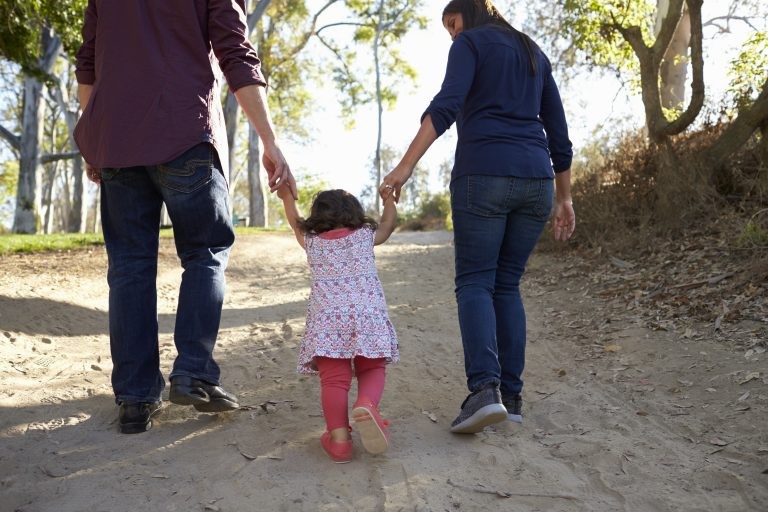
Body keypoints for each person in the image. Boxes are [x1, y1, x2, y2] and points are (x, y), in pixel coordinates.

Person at [73, 0, 297, 434]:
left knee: (129, 267)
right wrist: (269, 141)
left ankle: (135, 398)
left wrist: (95, 136)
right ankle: (194, 372)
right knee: (205, 253)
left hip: (116, 139)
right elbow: (236, 53)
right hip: (185, 131)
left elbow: (88, 63)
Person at [380, 0, 576, 434]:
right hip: (537, 181)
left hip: (483, 174)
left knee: (475, 281)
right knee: (506, 284)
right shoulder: (532, 51)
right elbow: (558, 133)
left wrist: (405, 166)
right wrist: (565, 197)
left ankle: (485, 391)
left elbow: (446, 105)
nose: (452, 34)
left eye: (452, 24)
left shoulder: (470, 44)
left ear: (468, 12)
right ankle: (512, 397)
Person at [278, 186, 399, 463]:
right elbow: (388, 225)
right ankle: (366, 404)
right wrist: (389, 201)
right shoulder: (365, 236)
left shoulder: (312, 242)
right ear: (355, 213)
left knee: (334, 380)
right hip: (368, 316)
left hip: (328, 322)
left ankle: (340, 442)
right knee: (372, 368)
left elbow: (294, 222)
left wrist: (286, 197)